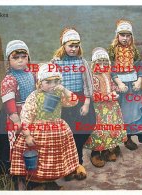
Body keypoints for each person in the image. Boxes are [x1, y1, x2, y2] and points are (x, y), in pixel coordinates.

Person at [10, 63, 79, 190]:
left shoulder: (59, 93)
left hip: (57, 130)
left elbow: (74, 100)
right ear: (40, 83)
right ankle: (37, 182)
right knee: (40, 158)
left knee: (54, 158)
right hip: (39, 132)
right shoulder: (34, 96)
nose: (53, 85)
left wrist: (63, 89)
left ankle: (50, 181)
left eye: (56, 81)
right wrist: (27, 136)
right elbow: (26, 117)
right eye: (48, 82)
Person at [108, 19, 142, 152]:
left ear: (131, 36)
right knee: (123, 113)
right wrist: (119, 82)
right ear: (117, 36)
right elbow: (111, 68)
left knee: (139, 110)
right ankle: (126, 138)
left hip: (134, 85)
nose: (125, 38)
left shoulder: (134, 50)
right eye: (122, 35)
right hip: (120, 85)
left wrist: (139, 80)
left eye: (128, 35)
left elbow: (139, 67)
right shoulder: (112, 50)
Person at [53, 27, 96, 179]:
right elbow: (52, 84)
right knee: (67, 134)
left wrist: (86, 103)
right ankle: (70, 166)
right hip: (64, 102)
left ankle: (77, 162)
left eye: (76, 46)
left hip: (81, 100)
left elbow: (88, 83)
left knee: (87, 125)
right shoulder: (56, 62)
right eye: (70, 45)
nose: (73, 49)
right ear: (63, 46)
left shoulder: (82, 61)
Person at [0, 40, 35, 177]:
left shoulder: (31, 74)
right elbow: (9, 104)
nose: (20, 61)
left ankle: (32, 172)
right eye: (15, 57)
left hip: (30, 113)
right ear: (8, 60)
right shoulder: (9, 79)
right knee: (17, 145)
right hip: (16, 117)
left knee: (30, 142)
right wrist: (16, 120)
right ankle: (16, 175)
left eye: (24, 57)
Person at [84, 47, 127, 167]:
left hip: (112, 108)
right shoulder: (92, 77)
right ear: (94, 63)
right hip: (100, 109)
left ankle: (109, 149)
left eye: (105, 62)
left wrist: (119, 88)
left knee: (111, 129)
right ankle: (96, 152)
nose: (102, 65)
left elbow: (112, 87)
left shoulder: (108, 74)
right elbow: (93, 95)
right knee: (99, 131)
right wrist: (108, 97)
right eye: (99, 62)